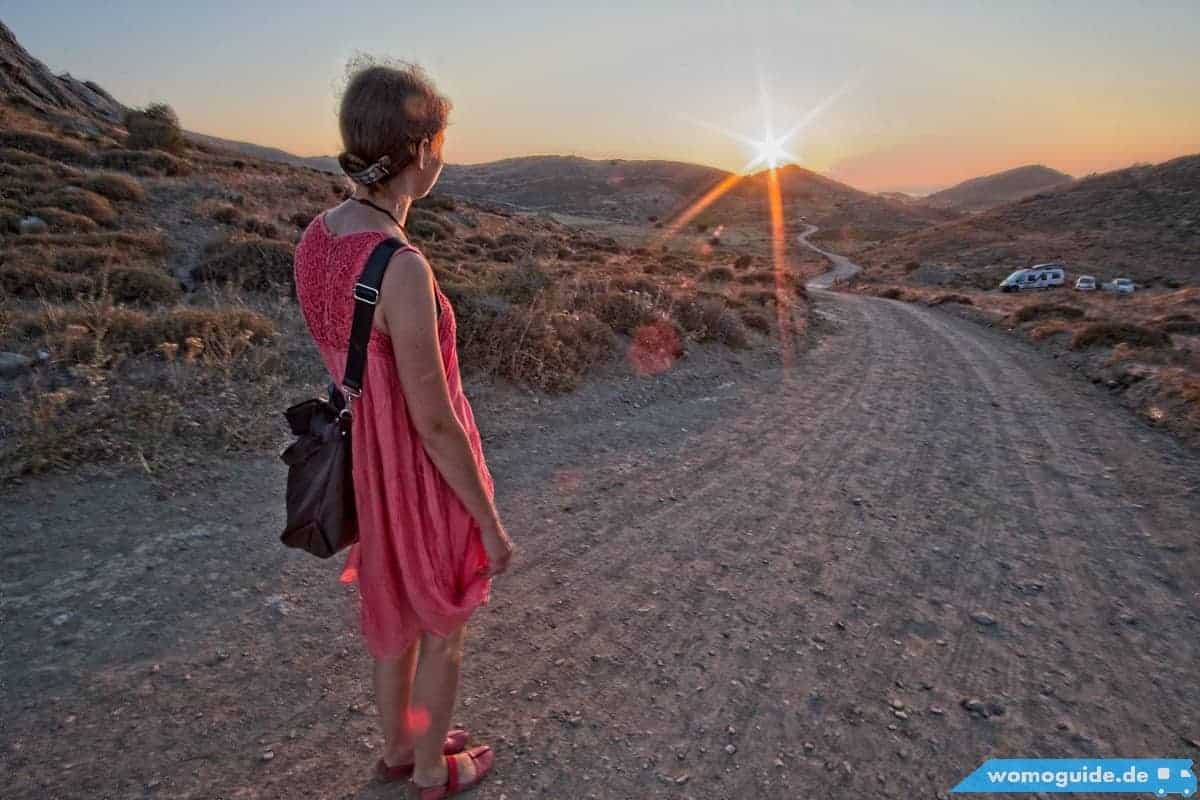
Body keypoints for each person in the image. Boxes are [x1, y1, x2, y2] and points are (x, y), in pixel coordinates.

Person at [293, 60, 515, 799]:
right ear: (421, 152)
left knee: (394, 606)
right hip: (419, 469)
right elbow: (434, 419)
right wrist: (487, 519)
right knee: (444, 621)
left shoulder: (318, 238)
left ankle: (400, 745)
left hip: (370, 467)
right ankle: (430, 769)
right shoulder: (401, 266)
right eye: (442, 142)